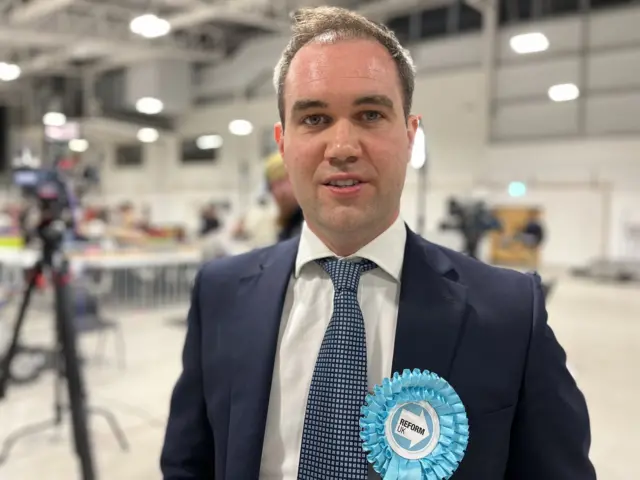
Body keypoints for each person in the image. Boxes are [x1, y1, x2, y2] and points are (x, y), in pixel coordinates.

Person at [161, 7, 596, 480]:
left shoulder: (511, 314)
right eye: (315, 118)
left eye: (370, 115)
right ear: (282, 144)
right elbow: (189, 463)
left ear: (410, 136)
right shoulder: (220, 293)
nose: (343, 146)